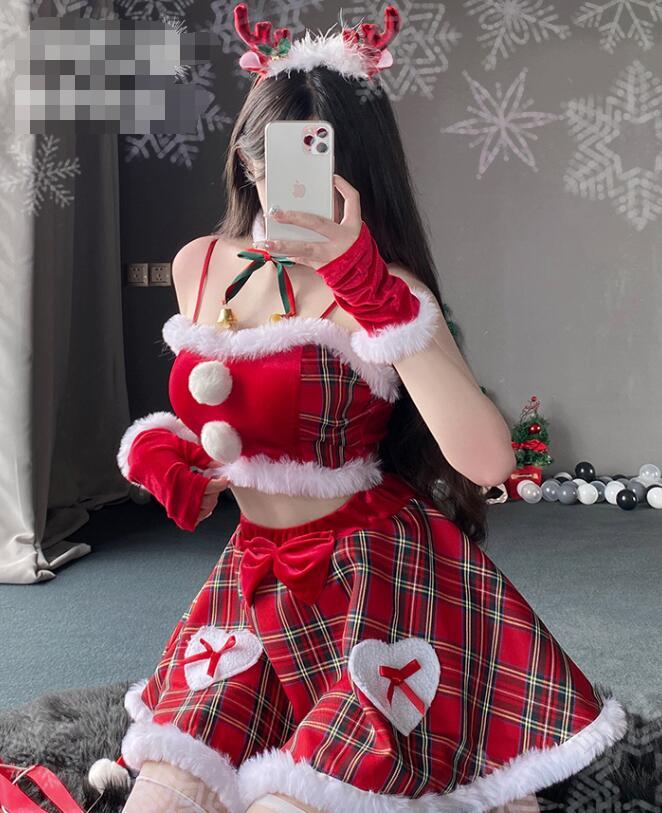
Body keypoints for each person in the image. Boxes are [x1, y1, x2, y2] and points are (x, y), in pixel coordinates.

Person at [101, 4, 627, 812]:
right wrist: (171, 456)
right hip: (256, 580)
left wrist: (369, 289)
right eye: (271, 161)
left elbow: (490, 460)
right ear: (245, 159)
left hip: (371, 584)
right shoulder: (199, 264)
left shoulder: (388, 291)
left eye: (315, 164)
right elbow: (233, 419)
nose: (289, 186)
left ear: (356, 172)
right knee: (163, 799)